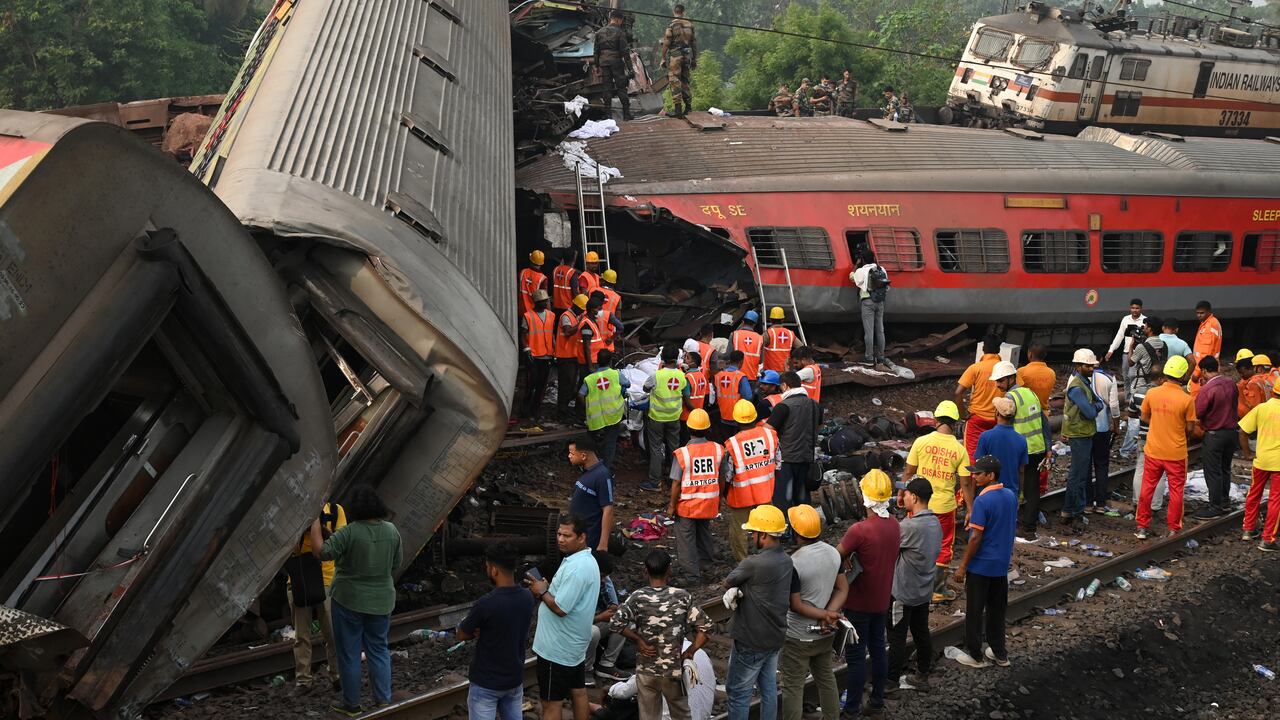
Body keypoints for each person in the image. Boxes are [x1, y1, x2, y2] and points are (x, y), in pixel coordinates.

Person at [309, 485, 403, 716]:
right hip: (381, 601)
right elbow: (396, 564)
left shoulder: (349, 532)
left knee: (349, 653)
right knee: (379, 649)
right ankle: (383, 701)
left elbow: (321, 553)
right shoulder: (392, 531)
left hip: (348, 600)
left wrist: (313, 524)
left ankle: (351, 705)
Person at [611, 550, 713, 719]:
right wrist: (690, 651)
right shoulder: (682, 597)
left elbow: (615, 623)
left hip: (646, 671)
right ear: (669, 571)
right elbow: (707, 628)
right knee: (681, 714)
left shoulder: (637, 597)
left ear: (645, 571)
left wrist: (638, 640)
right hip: (672, 673)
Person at [837, 470, 900, 717]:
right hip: (881, 601)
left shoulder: (859, 530)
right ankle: (876, 702)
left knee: (856, 659)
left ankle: (851, 709)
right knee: (877, 651)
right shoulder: (894, 525)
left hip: (858, 604)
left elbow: (835, 555)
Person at [723, 505, 793, 720]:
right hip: (774, 637)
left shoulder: (753, 563)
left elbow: (729, 580)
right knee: (769, 688)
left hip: (751, 640)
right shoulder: (787, 560)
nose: (751, 536)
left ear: (763, 535)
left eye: (753, 532)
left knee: (738, 693)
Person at [529, 514, 601, 720]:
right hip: (572, 645)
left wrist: (542, 592)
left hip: (557, 648)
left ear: (582, 537)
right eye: (559, 534)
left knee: (551, 703)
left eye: (567, 536)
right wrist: (547, 587)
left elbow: (561, 608)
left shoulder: (577, 567)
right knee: (578, 691)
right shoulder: (583, 560)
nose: (560, 539)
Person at [950, 456, 1017, 668]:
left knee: (975, 611)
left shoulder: (982, 500)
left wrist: (962, 566)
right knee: (997, 610)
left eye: (979, 473)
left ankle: (975, 655)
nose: (974, 476)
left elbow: (976, 537)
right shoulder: (1010, 495)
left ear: (990, 475)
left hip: (981, 565)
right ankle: (1000, 653)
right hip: (1000, 564)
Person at [780, 504, 846, 720]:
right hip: (825, 634)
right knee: (826, 678)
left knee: (792, 686)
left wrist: (824, 616)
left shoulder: (794, 563)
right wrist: (829, 614)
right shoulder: (833, 553)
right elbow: (842, 588)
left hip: (798, 636)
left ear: (795, 532)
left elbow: (795, 605)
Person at [458, 541, 535, 720]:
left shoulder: (487, 603)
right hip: (514, 679)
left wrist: (478, 630)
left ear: (494, 570)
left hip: (486, 682)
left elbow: (461, 634)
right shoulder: (527, 597)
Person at [902, 400, 971, 601]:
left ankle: (913, 585)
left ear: (936, 420)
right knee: (943, 546)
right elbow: (965, 484)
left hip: (918, 504)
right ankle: (936, 590)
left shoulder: (921, 442)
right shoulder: (959, 450)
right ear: (956, 423)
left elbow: (908, 471)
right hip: (944, 507)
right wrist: (970, 508)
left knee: (914, 544)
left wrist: (902, 493)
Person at [887, 477, 941, 691]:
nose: (903, 496)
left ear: (915, 497)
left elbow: (888, 549)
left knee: (897, 638)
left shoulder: (909, 526)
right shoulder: (934, 522)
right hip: (923, 590)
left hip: (903, 592)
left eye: (906, 493)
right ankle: (922, 675)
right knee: (921, 633)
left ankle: (890, 684)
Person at [1135, 355, 1196, 539]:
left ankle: (1142, 527)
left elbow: (1144, 418)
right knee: (1177, 491)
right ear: (1183, 374)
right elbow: (1191, 428)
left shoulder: (1152, 394)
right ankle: (1173, 528)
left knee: (1147, 488)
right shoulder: (1187, 399)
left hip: (1153, 450)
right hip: (1176, 453)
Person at [288, 501, 345, 692]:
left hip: (327, 579)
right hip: (300, 578)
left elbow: (340, 541)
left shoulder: (335, 511)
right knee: (301, 635)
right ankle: (303, 680)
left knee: (333, 633)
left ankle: (337, 675)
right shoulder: (294, 512)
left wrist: (318, 527)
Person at [993, 361, 1050, 538]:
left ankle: (1012, 522)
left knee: (1013, 486)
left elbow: (1005, 426)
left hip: (1018, 450)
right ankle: (1029, 528)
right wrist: (1048, 447)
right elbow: (1044, 421)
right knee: (1032, 489)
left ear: (1011, 379)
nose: (998, 385)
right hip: (1036, 448)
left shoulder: (1010, 399)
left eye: (1000, 381)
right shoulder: (1030, 393)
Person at [668, 409, 722, 582]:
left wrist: (671, 506)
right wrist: (718, 498)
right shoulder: (718, 449)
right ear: (707, 429)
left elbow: (676, 483)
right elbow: (722, 476)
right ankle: (706, 566)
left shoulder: (683, 453)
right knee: (704, 533)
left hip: (687, 506)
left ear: (689, 428)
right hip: (708, 502)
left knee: (686, 539)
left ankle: (691, 575)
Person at [723, 399, 779, 562]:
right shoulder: (770, 435)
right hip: (765, 491)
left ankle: (743, 562)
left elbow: (728, 475)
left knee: (739, 531)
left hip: (742, 496)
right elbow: (778, 464)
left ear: (736, 419)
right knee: (768, 526)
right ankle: (770, 556)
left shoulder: (732, 444)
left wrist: (724, 493)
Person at [602, 640, 716, 720]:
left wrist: (609, 690)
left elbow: (623, 692)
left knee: (619, 702)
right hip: (703, 717)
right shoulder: (700, 652)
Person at [767, 371, 820, 514]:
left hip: (786, 460)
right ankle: (805, 528)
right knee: (802, 498)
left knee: (784, 499)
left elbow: (767, 430)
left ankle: (785, 531)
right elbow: (817, 426)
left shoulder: (783, 406)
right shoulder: (815, 405)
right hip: (807, 457)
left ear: (784, 386)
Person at [1061, 349, 1103, 525]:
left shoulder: (1084, 382)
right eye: (1088, 365)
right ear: (1078, 366)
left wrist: (1096, 406)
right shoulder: (1078, 387)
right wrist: (1095, 407)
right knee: (1078, 475)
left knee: (1079, 474)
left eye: (1092, 365)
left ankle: (1070, 510)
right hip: (1079, 434)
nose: (1091, 368)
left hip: (1083, 432)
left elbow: (1098, 402)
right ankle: (1073, 511)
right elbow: (1091, 411)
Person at [1194, 356, 1238, 519]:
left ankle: (1215, 507)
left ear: (1204, 370)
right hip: (1232, 433)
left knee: (1213, 471)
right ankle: (1224, 502)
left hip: (1214, 434)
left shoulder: (1207, 389)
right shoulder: (1231, 383)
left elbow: (1198, 412)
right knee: (1225, 469)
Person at [1239, 381, 1280, 551]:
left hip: (1261, 460)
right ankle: (1268, 539)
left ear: (1273, 392)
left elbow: (1242, 431)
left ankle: (1248, 530)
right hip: (1278, 464)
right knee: (1275, 500)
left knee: (1254, 494)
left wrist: (1248, 453)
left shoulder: (1262, 408)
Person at [644, 346, 690, 491]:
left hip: (657, 418)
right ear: (677, 358)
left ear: (663, 358)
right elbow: (686, 394)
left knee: (656, 449)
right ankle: (675, 479)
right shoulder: (682, 376)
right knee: (674, 449)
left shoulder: (656, 375)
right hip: (674, 417)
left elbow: (646, 388)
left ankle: (655, 482)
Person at [956, 334, 1005, 463]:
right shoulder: (1005, 368)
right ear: (999, 350)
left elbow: (958, 392)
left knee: (971, 456)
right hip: (998, 419)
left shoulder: (975, 368)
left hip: (976, 419)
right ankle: (991, 481)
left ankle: (972, 482)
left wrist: (962, 414)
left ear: (983, 348)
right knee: (994, 456)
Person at [1121, 318, 1165, 459]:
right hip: (1159, 385)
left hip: (1142, 386)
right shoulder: (1164, 345)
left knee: (1135, 420)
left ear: (1150, 329)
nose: (1144, 328)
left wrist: (1131, 347)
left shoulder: (1142, 347)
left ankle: (1126, 451)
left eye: (1145, 326)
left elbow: (1131, 362)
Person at [580, 350, 629, 468]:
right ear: (610, 361)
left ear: (597, 361)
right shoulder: (616, 374)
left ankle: (590, 467)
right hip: (613, 414)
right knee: (610, 443)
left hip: (596, 417)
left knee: (592, 443)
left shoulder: (590, 378)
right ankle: (605, 469)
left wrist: (587, 407)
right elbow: (627, 384)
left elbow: (580, 394)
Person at [568, 436, 615, 552]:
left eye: (571, 453)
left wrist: (603, 544)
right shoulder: (587, 472)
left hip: (589, 539)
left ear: (583, 456)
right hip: (577, 533)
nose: (569, 456)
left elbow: (608, 510)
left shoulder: (602, 476)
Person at [585, 551, 626, 686]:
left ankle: (606, 664)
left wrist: (614, 609)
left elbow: (610, 602)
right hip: (576, 629)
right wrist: (600, 617)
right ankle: (586, 670)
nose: (603, 580)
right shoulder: (579, 584)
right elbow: (573, 621)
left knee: (623, 620)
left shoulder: (600, 582)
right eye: (601, 576)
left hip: (595, 620)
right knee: (593, 632)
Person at [975, 396, 1028, 497]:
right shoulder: (1021, 440)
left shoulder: (985, 436)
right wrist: (1020, 492)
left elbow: (978, 467)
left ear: (997, 413)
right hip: (1011, 492)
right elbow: (1021, 471)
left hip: (988, 491)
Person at [1088, 361, 1121, 514]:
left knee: (1086, 466)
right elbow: (1114, 405)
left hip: (1085, 430)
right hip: (1102, 428)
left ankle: (1087, 503)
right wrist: (1116, 425)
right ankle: (1101, 503)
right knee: (1101, 465)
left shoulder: (1076, 376)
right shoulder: (1109, 377)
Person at [521, 289, 557, 424]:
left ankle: (535, 411)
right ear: (537, 302)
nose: (547, 302)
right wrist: (526, 349)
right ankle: (525, 411)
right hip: (534, 356)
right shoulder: (528, 316)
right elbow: (523, 334)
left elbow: (551, 334)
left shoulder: (551, 315)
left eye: (547, 300)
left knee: (542, 386)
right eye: (544, 301)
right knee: (531, 384)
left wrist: (554, 351)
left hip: (547, 355)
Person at [851, 248, 888, 368]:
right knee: (880, 330)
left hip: (868, 302)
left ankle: (869, 358)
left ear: (863, 259)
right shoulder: (881, 269)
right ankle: (881, 358)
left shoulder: (862, 270)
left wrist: (856, 266)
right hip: (880, 302)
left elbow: (852, 277)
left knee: (869, 331)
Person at [594, 10, 634, 120]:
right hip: (616, 63)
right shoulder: (620, 33)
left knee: (606, 88)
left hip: (604, 64)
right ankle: (626, 114)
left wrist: (596, 66)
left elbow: (596, 51)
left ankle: (608, 115)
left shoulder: (599, 32)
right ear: (617, 19)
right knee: (621, 87)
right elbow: (625, 52)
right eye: (621, 21)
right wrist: (630, 68)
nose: (621, 23)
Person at [659, 4, 697, 118]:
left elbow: (666, 43)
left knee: (675, 81)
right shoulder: (690, 25)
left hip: (675, 57)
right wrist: (695, 59)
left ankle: (678, 111)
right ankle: (688, 108)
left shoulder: (672, 25)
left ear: (674, 12)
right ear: (683, 12)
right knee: (685, 80)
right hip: (687, 57)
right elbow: (694, 44)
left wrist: (662, 58)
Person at [555, 294, 587, 421]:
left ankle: (565, 409)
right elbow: (568, 331)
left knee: (571, 384)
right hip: (565, 356)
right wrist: (580, 323)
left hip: (573, 356)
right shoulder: (566, 317)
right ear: (577, 306)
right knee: (565, 385)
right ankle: (561, 413)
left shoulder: (575, 316)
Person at [713, 350, 753, 441]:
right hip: (738, 419)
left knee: (727, 442)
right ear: (741, 362)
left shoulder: (718, 375)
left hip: (723, 416)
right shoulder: (740, 376)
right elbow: (748, 397)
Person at [1105, 298, 1145, 381]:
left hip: (1138, 353)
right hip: (1126, 353)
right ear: (1130, 308)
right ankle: (1128, 394)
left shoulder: (1145, 320)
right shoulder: (1125, 319)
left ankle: (1132, 394)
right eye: (1133, 308)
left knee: (1132, 376)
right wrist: (1111, 350)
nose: (1134, 310)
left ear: (1141, 309)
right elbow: (1119, 335)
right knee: (1126, 377)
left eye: (1137, 308)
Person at [1016, 344, 1056, 412]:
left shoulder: (1021, 372)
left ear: (1030, 354)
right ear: (1045, 355)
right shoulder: (1052, 373)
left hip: (1025, 413)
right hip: (1043, 413)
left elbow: (1016, 393)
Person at [1192, 300, 1223, 375]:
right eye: (1197, 313)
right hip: (1210, 367)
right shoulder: (1212, 322)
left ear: (1209, 311)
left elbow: (1205, 353)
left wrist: (1197, 372)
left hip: (1205, 370)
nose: (1199, 315)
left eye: (1202, 313)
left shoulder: (1208, 327)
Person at [731, 311, 764, 382]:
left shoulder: (734, 334)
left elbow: (727, 355)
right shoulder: (760, 338)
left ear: (743, 321)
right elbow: (761, 360)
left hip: (736, 377)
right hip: (752, 378)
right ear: (754, 324)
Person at [762, 307, 795, 374]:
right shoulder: (790, 333)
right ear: (783, 320)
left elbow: (757, 345)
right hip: (785, 371)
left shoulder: (768, 333)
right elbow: (801, 347)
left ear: (770, 319)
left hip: (770, 372)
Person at [520, 250, 549, 316]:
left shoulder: (522, 272)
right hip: (533, 314)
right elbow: (544, 299)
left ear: (531, 260)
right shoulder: (543, 278)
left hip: (519, 310)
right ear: (541, 263)